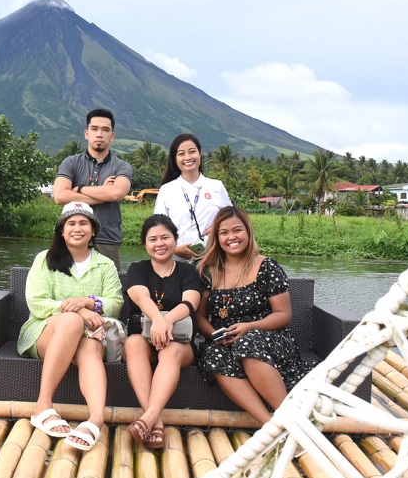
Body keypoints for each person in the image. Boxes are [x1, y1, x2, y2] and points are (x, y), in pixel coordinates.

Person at [17, 201, 123, 451]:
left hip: (88, 335)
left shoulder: (105, 265)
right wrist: (81, 312)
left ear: (93, 231)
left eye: (84, 223)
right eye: (71, 224)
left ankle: (96, 418)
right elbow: (37, 303)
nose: (78, 228)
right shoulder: (45, 259)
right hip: (44, 333)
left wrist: (89, 302)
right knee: (73, 321)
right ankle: (43, 404)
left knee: (91, 346)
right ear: (62, 231)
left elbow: (116, 303)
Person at [193, 206, 308, 424]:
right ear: (216, 238)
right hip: (225, 340)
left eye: (237, 230)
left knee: (247, 343)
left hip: (268, 337)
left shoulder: (266, 267)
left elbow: (283, 315)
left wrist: (249, 326)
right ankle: (270, 424)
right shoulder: (208, 270)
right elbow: (199, 317)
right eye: (224, 233)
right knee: (213, 355)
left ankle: (290, 418)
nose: (231, 237)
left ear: (248, 231)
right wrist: (216, 334)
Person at [121, 214, 202, 449]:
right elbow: (139, 295)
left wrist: (167, 322)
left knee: (170, 352)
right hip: (144, 339)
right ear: (145, 244)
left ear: (175, 241)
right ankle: (154, 421)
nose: (160, 244)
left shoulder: (187, 272)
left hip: (179, 342)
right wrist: (157, 319)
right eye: (153, 239)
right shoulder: (138, 269)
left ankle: (147, 419)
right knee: (133, 344)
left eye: (165, 237)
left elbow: (191, 303)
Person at [52, 109, 133, 270]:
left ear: (112, 136)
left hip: (107, 240)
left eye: (105, 130)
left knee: (107, 292)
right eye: (95, 129)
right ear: (86, 133)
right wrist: (104, 193)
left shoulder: (121, 166)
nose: (99, 134)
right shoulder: (71, 163)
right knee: (67, 287)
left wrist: (79, 189)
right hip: (72, 237)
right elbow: (60, 196)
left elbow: (116, 193)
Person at [155, 133, 231, 260]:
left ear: (200, 153)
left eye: (192, 152)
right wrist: (176, 250)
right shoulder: (166, 190)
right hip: (176, 261)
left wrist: (218, 225)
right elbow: (158, 227)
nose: (188, 157)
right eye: (181, 154)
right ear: (174, 158)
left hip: (211, 259)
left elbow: (231, 218)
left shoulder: (216, 186)